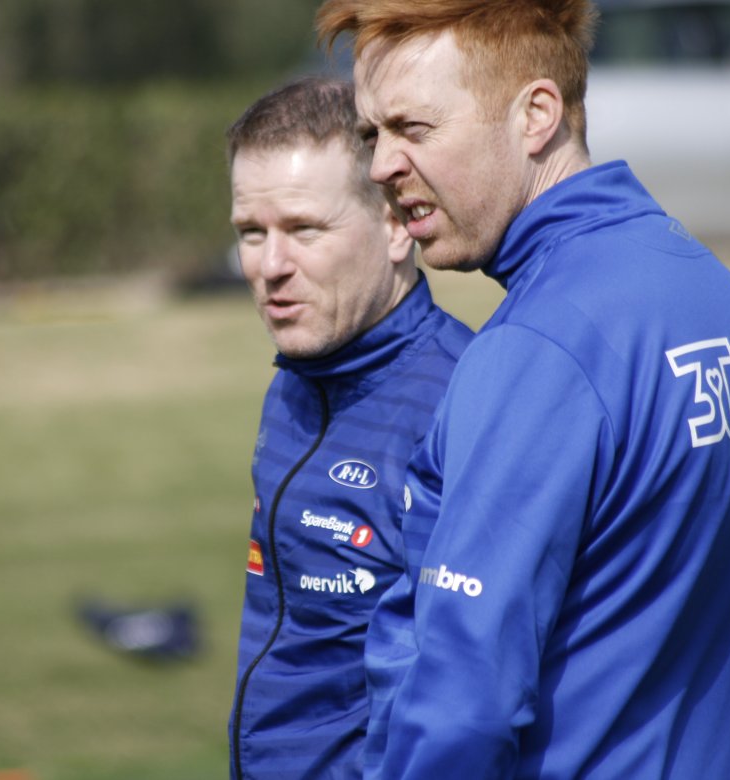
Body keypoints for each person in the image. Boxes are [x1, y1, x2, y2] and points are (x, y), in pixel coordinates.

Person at [315, 1, 730, 777]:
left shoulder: (539, 349)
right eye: (371, 134)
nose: (381, 165)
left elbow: (460, 703)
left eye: (413, 128)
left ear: (536, 115)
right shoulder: (723, 304)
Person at [225, 77, 473, 779]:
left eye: (305, 229)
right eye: (251, 233)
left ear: (395, 224)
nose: (271, 267)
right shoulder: (296, 382)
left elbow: (471, 697)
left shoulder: (463, 404)